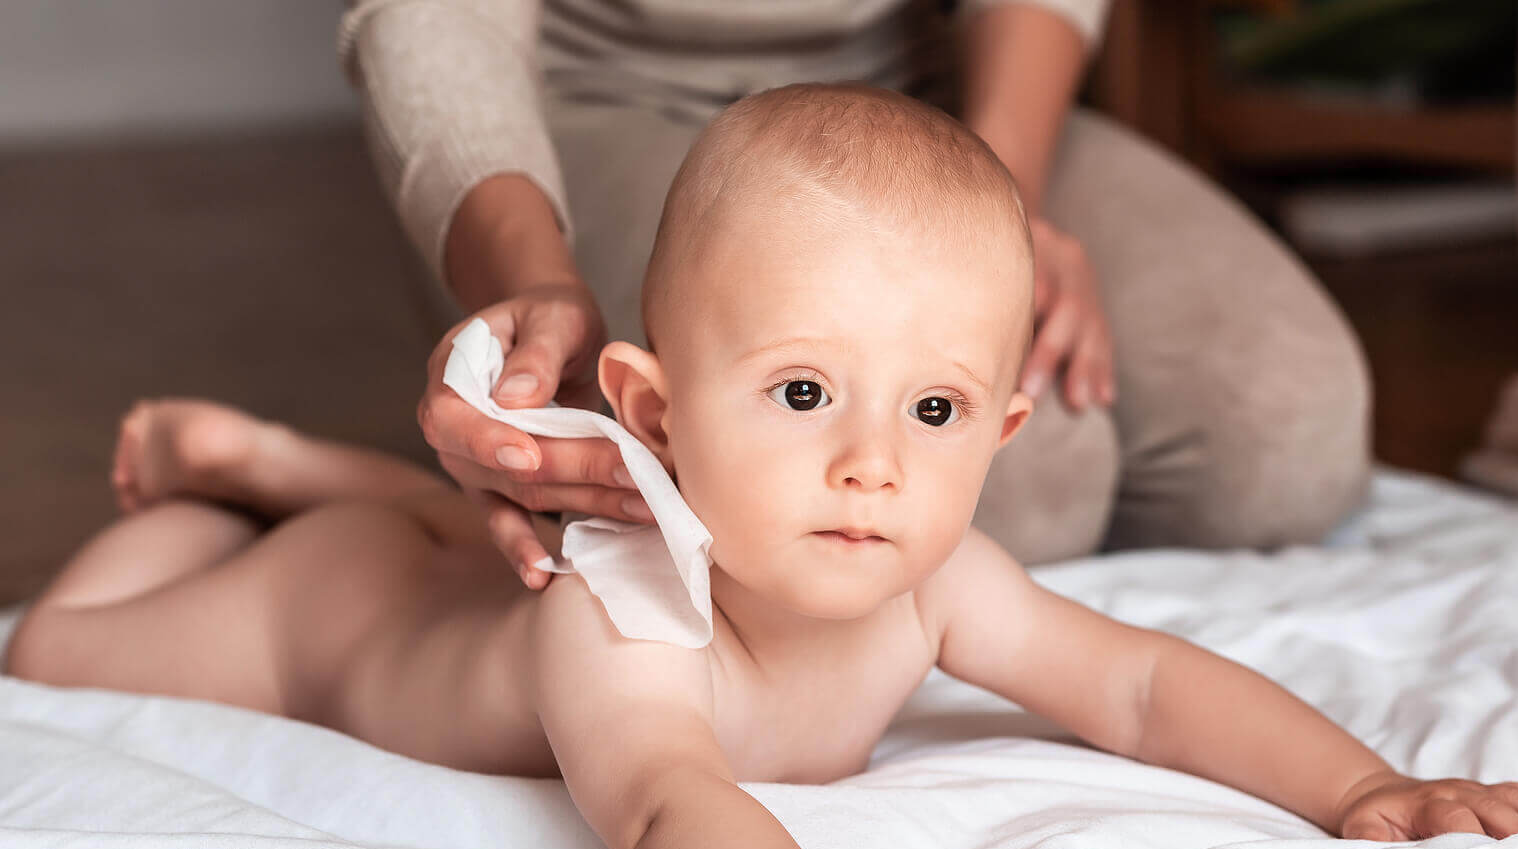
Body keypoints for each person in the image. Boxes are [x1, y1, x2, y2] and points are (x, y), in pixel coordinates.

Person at [5, 87, 1518, 849]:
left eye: (935, 409)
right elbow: (676, 807)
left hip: (516, 549)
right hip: (337, 617)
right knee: (58, 655)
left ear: (1001, 426)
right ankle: (249, 492)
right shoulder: (622, 629)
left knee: (496, 536)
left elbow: (1139, 684)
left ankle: (274, 457)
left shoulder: (924, 570)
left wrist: (1360, 790)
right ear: (657, 409)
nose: (874, 462)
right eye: (806, 393)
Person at [337, 0, 1373, 587]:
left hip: (934, 85)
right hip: (592, 96)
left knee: (1281, 438)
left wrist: (992, 210)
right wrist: (526, 274)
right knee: (1020, 486)